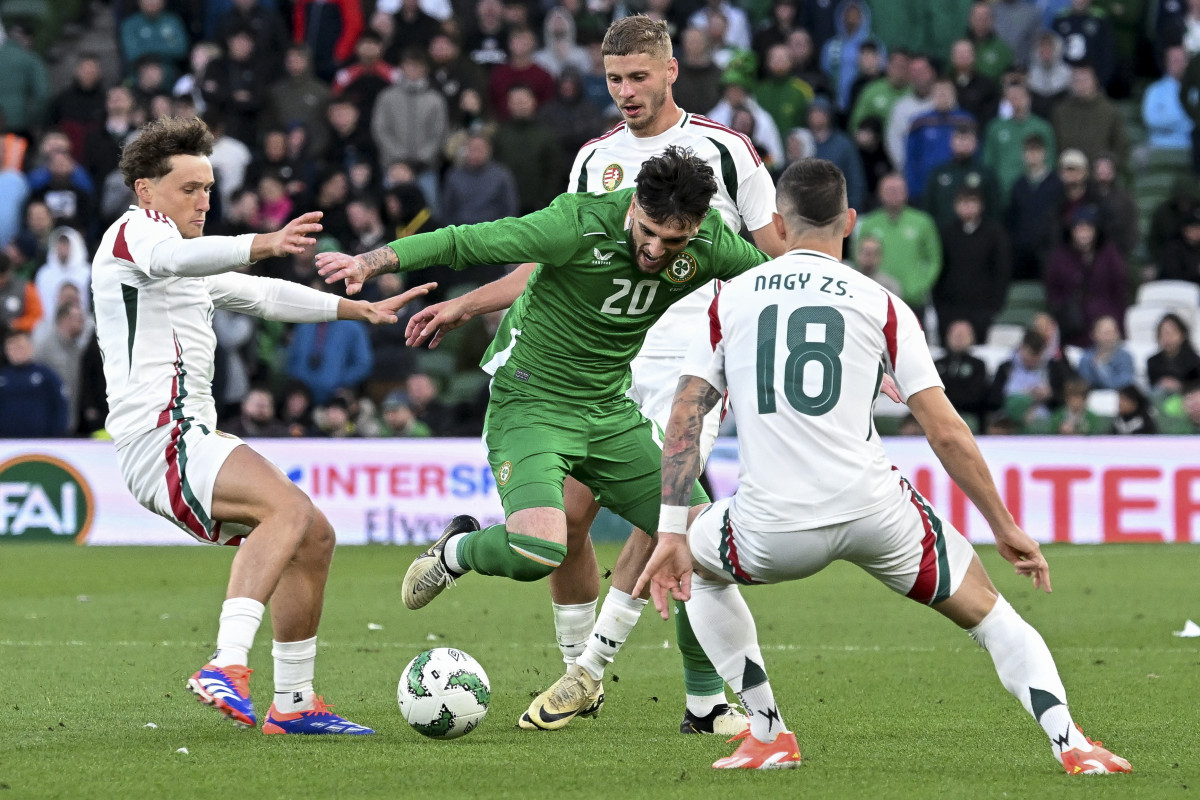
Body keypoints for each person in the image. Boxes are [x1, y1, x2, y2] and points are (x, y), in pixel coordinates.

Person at [632, 157, 1132, 775]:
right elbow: (945, 431)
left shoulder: (729, 300)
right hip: (876, 512)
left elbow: (686, 417)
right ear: (849, 221)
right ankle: (1072, 744)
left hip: (770, 525)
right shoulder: (883, 303)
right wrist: (1004, 526)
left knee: (697, 567)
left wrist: (673, 530)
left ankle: (768, 733)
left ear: (779, 228)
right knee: (995, 618)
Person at [398, 14, 799, 735]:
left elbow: (774, 258)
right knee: (566, 525)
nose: (626, 91)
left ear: (671, 70)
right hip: (604, 368)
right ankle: (578, 664)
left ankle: (628, 680)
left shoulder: (727, 150)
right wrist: (468, 304)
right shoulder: (597, 159)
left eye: (639, 76)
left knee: (679, 524)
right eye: (614, 79)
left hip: (693, 370)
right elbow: (548, 258)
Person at [318, 146, 774, 736]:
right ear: (633, 204)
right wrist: (373, 261)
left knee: (702, 540)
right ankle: (457, 552)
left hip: (609, 410)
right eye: (650, 233)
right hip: (530, 403)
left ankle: (708, 707)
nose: (658, 251)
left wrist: (871, 345)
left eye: (675, 242)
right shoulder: (576, 223)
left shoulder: (711, 241)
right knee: (539, 551)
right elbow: (464, 242)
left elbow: (773, 281)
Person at [91, 115, 433, 735]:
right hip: (161, 436)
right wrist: (265, 241)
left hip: (191, 433)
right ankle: (226, 663)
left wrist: (355, 308)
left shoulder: (184, 260)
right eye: (189, 188)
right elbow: (177, 257)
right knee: (287, 513)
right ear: (145, 191)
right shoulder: (134, 236)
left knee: (314, 535)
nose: (203, 200)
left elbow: (262, 297)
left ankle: (294, 705)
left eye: (209, 188)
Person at [1076, 315, 1135, 390]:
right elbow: (1083, 385)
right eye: (1105, 333)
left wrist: (1101, 366)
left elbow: (1123, 385)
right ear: (1094, 334)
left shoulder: (1125, 357)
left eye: (1112, 332)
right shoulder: (1086, 358)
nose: (1109, 337)